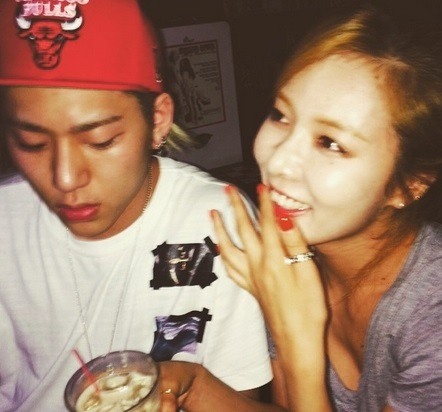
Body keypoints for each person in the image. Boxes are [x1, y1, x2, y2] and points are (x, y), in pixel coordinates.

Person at [159, 4, 442, 411]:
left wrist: (298, 342)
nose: (277, 161)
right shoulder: (288, 259)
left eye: (331, 143)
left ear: (409, 185)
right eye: (281, 116)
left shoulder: (431, 317)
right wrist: (194, 386)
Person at [0, 0, 272, 410]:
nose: (66, 178)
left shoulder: (219, 223)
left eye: (101, 141)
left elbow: (238, 396)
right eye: (32, 143)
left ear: (158, 121)